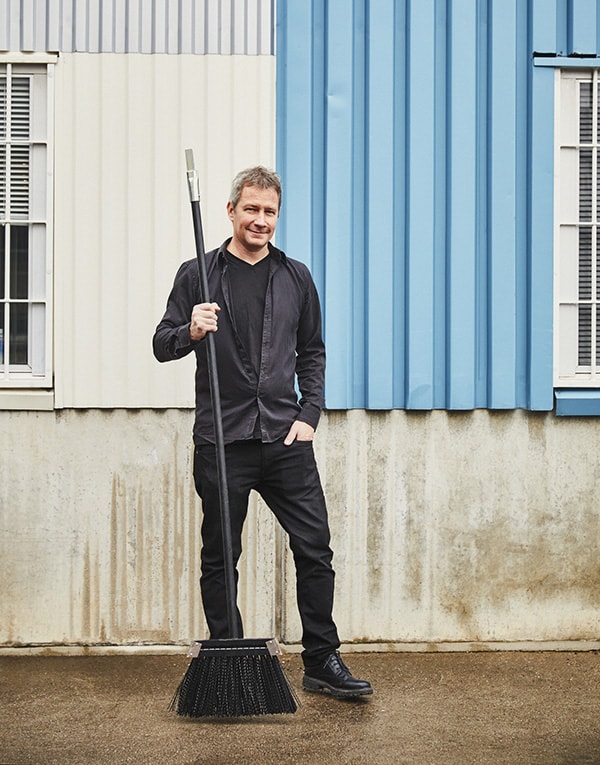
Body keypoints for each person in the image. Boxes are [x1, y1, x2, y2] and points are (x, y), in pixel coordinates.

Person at [153, 166, 372, 698]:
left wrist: (309, 414)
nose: (260, 220)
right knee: (220, 556)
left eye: (269, 211)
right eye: (251, 209)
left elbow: (313, 351)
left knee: (315, 548)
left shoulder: (296, 276)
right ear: (230, 211)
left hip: (284, 439)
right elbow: (161, 344)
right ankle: (229, 663)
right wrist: (190, 330)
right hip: (222, 443)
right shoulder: (197, 275)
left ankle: (321, 661)